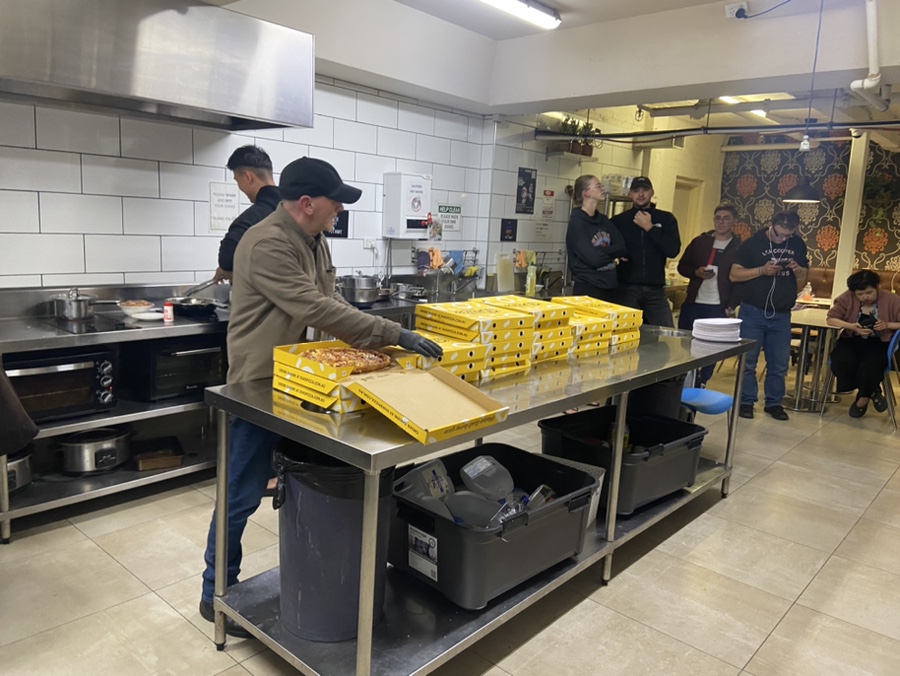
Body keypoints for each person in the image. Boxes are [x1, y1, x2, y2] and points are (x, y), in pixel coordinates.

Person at [199, 157, 442, 636]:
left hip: (306, 382)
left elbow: (331, 300)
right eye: (336, 203)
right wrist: (393, 332)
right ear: (307, 203)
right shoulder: (265, 242)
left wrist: (377, 344)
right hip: (258, 386)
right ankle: (215, 593)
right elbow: (312, 306)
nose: (340, 211)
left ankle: (319, 575)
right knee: (240, 495)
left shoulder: (315, 239)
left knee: (313, 485)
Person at [730, 211, 808, 421]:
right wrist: (761, 271)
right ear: (771, 225)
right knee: (748, 361)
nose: (783, 239)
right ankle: (746, 402)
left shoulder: (797, 244)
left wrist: (798, 270)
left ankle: (774, 403)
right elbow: (734, 275)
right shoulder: (751, 244)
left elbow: (803, 276)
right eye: (780, 234)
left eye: (788, 235)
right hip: (753, 311)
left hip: (781, 313)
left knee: (779, 364)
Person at [677, 204, 741, 385]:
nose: (721, 222)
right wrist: (696, 272)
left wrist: (731, 305)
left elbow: (740, 282)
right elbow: (682, 266)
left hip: (718, 306)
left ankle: (702, 381)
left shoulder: (739, 247)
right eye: (718, 218)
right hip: (694, 303)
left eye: (726, 218)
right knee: (686, 345)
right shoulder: (700, 242)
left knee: (712, 349)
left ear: (734, 221)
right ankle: (685, 381)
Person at [826, 269, 900, 418]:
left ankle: (863, 399)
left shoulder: (892, 300)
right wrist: (852, 326)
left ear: (877, 287)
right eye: (860, 294)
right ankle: (873, 391)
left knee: (871, 364)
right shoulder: (847, 298)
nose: (865, 297)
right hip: (852, 339)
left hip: (879, 341)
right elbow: (831, 319)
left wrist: (887, 325)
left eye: (869, 292)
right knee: (841, 361)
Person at [610, 176, 681, 327]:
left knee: (667, 333)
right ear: (630, 194)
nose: (641, 194)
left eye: (645, 190)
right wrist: (616, 253)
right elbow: (604, 247)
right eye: (636, 190)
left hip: (655, 290)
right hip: (626, 289)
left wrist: (650, 228)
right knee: (625, 332)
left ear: (652, 192)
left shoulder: (666, 219)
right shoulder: (618, 221)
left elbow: (673, 250)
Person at [213, 145, 282, 283]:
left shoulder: (253, 217)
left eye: (237, 180)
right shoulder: (295, 211)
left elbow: (226, 258)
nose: (239, 187)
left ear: (247, 177)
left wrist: (229, 268)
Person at [565, 175, 627, 301]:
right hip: (588, 288)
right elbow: (594, 259)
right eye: (598, 186)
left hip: (610, 287)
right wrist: (612, 254)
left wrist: (600, 251)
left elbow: (622, 248)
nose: (602, 188)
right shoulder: (577, 223)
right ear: (586, 193)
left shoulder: (604, 220)